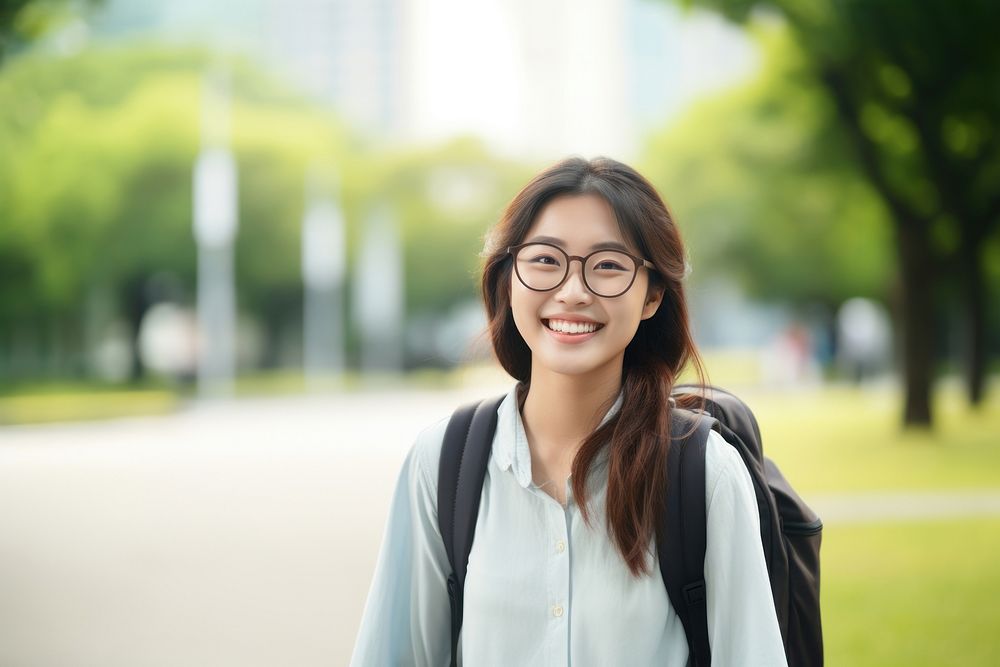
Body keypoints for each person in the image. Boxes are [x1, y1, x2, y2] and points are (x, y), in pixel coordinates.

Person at [350, 157, 787, 666]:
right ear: (507, 278)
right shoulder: (443, 463)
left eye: (607, 265)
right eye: (544, 260)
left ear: (653, 296)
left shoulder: (703, 470)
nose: (573, 291)